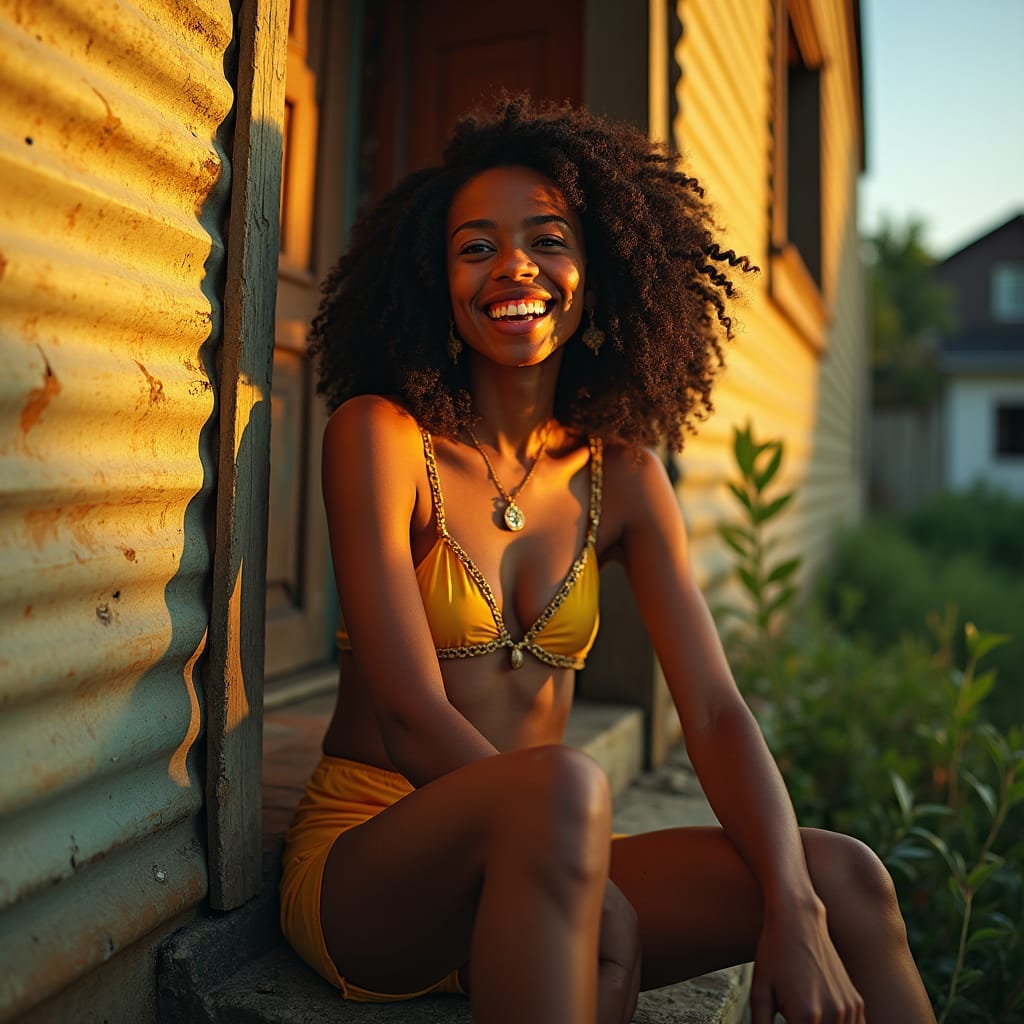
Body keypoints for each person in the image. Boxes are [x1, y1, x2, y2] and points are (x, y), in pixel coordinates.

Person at [280, 94, 935, 1024]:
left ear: (598, 268)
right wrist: (588, 878)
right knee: (563, 788)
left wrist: (791, 905)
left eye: (547, 238)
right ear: (437, 280)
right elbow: (408, 711)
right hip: (379, 865)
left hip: (549, 854)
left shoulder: (621, 476)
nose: (514, 266)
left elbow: (711, 708)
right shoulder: (380, 438)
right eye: (476, 247)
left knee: (848, 881)